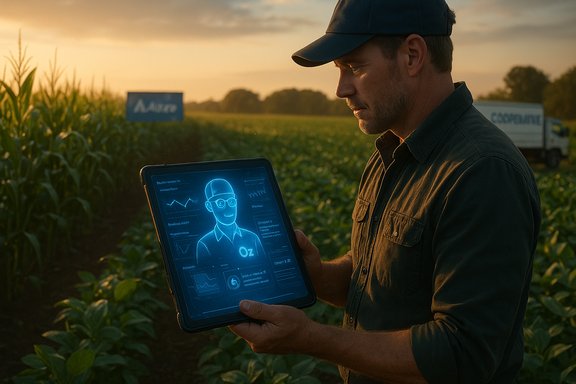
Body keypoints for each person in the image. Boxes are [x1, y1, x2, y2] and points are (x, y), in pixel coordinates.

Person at [229, 0, 541, 382]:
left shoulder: (482, 171)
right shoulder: (391, 150)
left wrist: (312, 339)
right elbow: (381, 279)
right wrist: (316, 276)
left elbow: (463, 354)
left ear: (412, 55)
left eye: (354, 67)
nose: (341, 89)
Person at [196, 178, 265, 267]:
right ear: (209, 206)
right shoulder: (204, 244)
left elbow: (266, 266)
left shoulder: (253, 238)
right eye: (221, 203)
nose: (228, 208)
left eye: (231, 201)